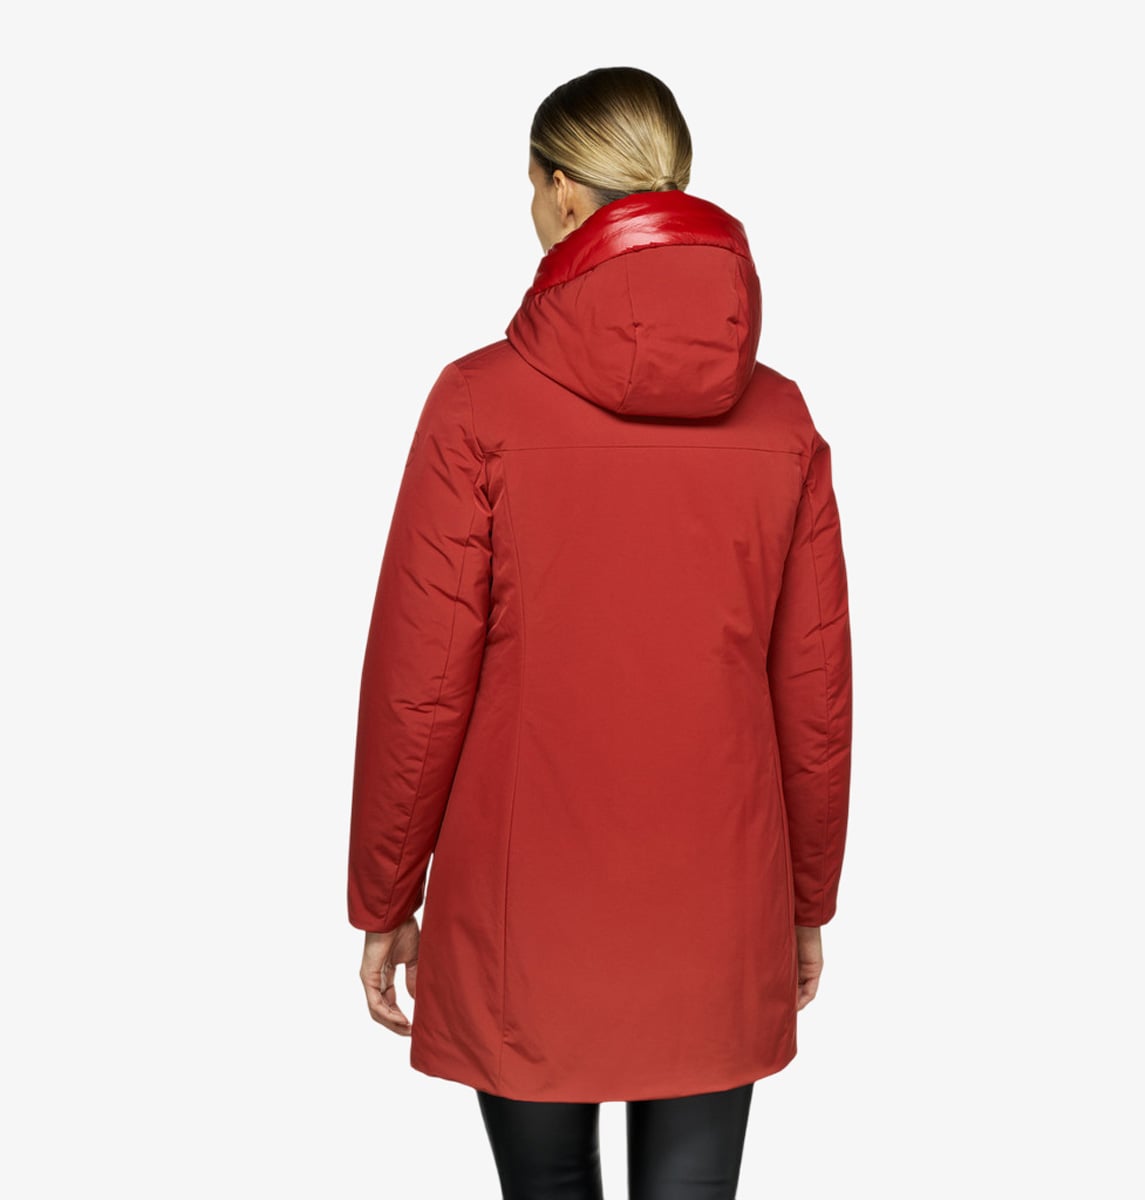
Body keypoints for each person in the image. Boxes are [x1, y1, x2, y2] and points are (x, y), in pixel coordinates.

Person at [346, 66, 854, 1199]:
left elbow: (419, 684)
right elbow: (814, 694)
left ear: (564, 192)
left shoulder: (476, 403)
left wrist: (384, 898)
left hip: (525, 913)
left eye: (530, 187)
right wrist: (805, 899)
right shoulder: (782, 419)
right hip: (720, 904)